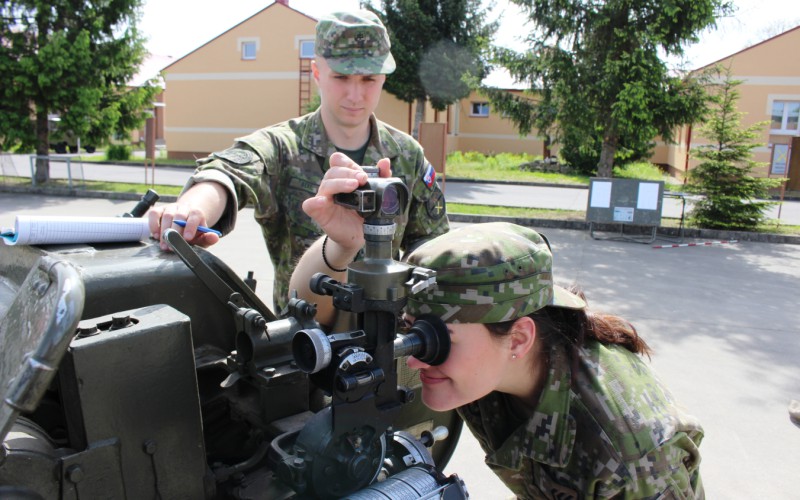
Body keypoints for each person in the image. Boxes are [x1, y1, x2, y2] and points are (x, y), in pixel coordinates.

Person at [291, 218, 705, 498]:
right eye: (410, 329)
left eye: (432, 341)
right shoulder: (486, 364)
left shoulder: (629, 455)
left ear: (519, 337)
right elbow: (309, 316)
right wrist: (342, 244)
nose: (415, 361)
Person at [148, 10, 448, 312]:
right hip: (303, 341)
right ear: (317, 73)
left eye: (368, 78)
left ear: (383, 78)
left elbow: (434, 248)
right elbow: (230, 171)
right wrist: (194, 208)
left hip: (391, 337)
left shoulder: (408, 155)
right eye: (341, 77)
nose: (355, 94)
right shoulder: (282, 146)